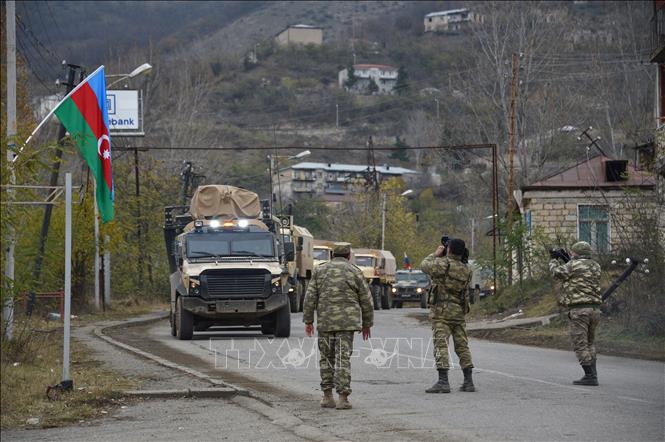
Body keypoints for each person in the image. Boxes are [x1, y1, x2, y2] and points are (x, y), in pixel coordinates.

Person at [303, 243, 374, 410]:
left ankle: (327, 396)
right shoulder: (355, 271)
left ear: (331, 255)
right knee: (343, 358)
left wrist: (308, 321)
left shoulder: (319, 271)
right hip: (347, 324)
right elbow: (366, 300)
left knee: (326, 358)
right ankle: (343, 398)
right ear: (349, 256)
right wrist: (367, 324)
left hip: (326, 322)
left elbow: (310, 297)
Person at [421, 238, 474, 393]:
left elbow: (424, 266)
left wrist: (436, 254)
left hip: (441, 312)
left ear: (449, 249)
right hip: (458, 312)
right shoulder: (467, 269)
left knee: (441, 345)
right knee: (462, 346)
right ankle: (468, 381)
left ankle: (443, 382)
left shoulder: (442, 263)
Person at [549, 241, 602, 386]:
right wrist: (568, 258)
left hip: (579, 310)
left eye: (573, 252)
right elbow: (577, 272)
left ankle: (590, 376)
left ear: (576, 253)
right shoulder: (596, 266)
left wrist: (553, 259)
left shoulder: (572, 265)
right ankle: (594, 373)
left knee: (580, 344)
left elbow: (556, 273)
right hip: (595, 309)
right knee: (590, 343)